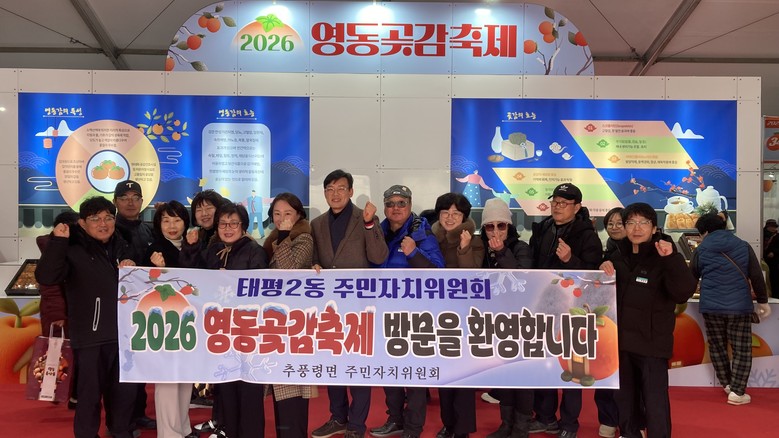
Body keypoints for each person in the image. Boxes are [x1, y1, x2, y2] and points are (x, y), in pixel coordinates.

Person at [35, 196, 139, 438]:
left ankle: (120, 431)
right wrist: (59, 242)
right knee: (89, 395)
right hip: (90, 336)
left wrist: (132, 263)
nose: (103, 223)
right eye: (95, 218)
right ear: (82, 223)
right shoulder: (72, 249)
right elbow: (47, 276)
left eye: (108, 217)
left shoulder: (122, 245)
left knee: (123, 393)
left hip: (124, 335)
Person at [600, 202, 697, 438]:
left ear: (654, 228)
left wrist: (671, 259)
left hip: (652, 344)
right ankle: (630, 433)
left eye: (643, 222)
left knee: (655, 402)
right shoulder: (617, 256)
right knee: (625, 399)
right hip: (621, 343)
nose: (637, 228)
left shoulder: (664, 254)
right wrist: (602, 267)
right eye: (631, 222)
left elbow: (682, 292)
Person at [310, 170, 389, 438]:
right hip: (329, 308)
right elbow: (315, 257)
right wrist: (313, 264)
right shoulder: (317, 223)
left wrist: (369, 224)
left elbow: (378, 257)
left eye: (341, 188)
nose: (335, 194)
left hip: (359, 307)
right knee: (333, 364)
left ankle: (356, 426)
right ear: (324, 193)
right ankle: (338, 418)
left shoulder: (364, 218)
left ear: (351, 191)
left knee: (358, 368)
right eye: (330, 189)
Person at [181, 202, 268, 438]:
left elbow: (260, 290)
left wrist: (232, 281)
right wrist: (191, 248)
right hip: (220, 331)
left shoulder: (254, 251)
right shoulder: (214, 250)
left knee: (248, 389)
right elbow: (193, 278)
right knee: (226, 385)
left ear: (243, 226)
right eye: (223, 224)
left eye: (233, 224)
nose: (228, 228)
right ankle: (228, 430)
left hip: (247, 332)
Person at [370, 184, 445, 438]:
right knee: (389, 372)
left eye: (401, 203)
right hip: (384, 314)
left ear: (410, 205)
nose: (396, 208)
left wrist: (414, 253)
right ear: (384, 208)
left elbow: (438, 273)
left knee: (414, 376)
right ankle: (395, 419)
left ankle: (413, 428)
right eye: (390, 203)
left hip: (416, 317)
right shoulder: (377, 233)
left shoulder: (422, 234)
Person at [528, 183, 602, 438]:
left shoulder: (587, 235)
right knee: (545, 363)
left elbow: (595, 275)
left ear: (577, 207)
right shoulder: (543, 228)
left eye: (564, 203)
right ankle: (545, 417)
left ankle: (569, 423)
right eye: (555, 202)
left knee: (573, 366)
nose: (557, 207)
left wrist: (571, 261)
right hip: (545, 306)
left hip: (574, 310)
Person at [690, 213, 771, 405]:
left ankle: (727, 384)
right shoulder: (743, 245)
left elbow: (691, 277)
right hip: (739, 307)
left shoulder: (701, 250)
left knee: (717, 346)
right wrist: (763, 301)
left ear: (705, 232)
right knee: (741, 348)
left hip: (711, 307)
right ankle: (737, 391)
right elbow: (756, 276)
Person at [262, 192, 319, 438]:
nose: (281, 218)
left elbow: (290, 270)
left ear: (298, 215)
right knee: (280, 389)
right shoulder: (272, 239)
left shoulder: (303, 238)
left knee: (292, 388)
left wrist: (284, 236)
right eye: (276, 213)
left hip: (295, 326)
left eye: (287, 213)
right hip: (276, 323)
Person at [429, 192, 484, 438]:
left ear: (464, 217)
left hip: (463, 318)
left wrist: (464, 249)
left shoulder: (475, 240)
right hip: (437, 316)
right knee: (444, 375)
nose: (450, 218)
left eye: (456, 214)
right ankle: (448, 423)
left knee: (463, 377)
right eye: (445, 213)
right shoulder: (431, 239)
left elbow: (473, 277)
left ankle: (462, 429)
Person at [477, 198, 533, 438]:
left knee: (522, 376)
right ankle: (506, 424)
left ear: (509, 226)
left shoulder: (521, 248)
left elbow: (523, 279)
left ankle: (521, 427)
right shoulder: (480, 249)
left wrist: (501, 252)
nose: (496, 231)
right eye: (490, 226)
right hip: (493, 320)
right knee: (504, 374)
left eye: (501, 225)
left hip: (521, 320)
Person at [142, 201, 198, 438]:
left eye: (177, 220)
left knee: (185, 378)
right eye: (166, 220)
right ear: (158, 224)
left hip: (189, 322)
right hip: (164, 324)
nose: (172, 226)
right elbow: (143, 287)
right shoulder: (153, 250)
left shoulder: (193, 245)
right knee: (167, 380)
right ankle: (169, 433)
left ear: (185, 222)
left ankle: (182, 428)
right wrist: (158, 270)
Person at [182, 189, 228, 436]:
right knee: (213, 369)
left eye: (209, 207)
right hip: (202, 311)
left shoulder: (227, 235)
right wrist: (190, 248)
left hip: (223, 313)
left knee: (224, 369)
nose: (204, 213)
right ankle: (218, 418)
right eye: (199, 209)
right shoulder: (197, 237)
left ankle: (225, 422)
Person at [112, 179, 156, 431]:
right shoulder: (109, 229)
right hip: (119, 310)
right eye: (124, 198)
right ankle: (120, 422)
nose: (130, 202)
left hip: (146, 308)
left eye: (135, 197)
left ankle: (138, 413)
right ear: (115, 202)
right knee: (121, 370)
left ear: (142, 201)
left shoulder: (149, 230)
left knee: (141, 365)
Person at [36, 210, 81, 410]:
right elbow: (50, 288)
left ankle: (72, 394)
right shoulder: (53, 250)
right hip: (59, 315)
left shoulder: (70, 249)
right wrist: (57, 315)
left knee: (73, 355)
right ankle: (55, 390)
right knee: (59, 353)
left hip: (74, 311)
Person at [762, 219, 779, 294]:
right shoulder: (762, 235)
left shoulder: (776, 236)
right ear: (768, 227)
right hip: (765, 260)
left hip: (774, 261)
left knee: (774, 278)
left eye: (775, 227)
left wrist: (774, 252)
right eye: (772, 226)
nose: (774, 228)